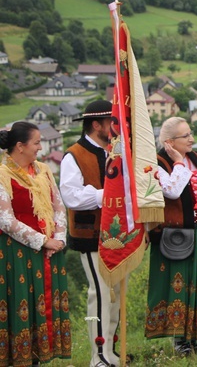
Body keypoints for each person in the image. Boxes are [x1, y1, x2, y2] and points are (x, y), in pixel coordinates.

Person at [145, 117, 197, 353]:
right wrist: (179, 162)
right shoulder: (156, 164)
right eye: (186, 136)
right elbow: (172, 191)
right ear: (170, 142)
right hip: (174, 236)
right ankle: (180, 341)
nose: (192, 139)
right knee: (179, 286)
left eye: (190, 134)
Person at [0, 121, 71, 366]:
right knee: (23, 305)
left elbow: (58, 205)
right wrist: (43, 241)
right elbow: (6, 220)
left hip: (50, 252)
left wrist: (59, 239)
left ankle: (40, 356)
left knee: (44, 305)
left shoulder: (42, 170)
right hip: (18, 253)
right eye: (37, 143)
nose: (41, 148)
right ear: (20, 146)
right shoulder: (2, 175)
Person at [59, 100, 121, 367]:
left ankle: (110, 351)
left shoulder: (114, 151)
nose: (114, 127)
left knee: (116, 293)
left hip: (115, 234)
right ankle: (97, 356)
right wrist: (107, 194)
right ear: (97, 125)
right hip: (89, 234)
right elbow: (71, 197)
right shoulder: (74, 154)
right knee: (100, 292)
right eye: (111, 122)